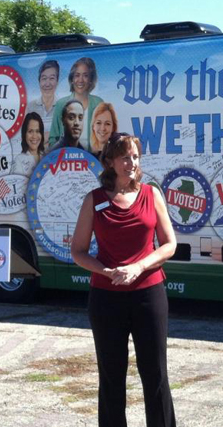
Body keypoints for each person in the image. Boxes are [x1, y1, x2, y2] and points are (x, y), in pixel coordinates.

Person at [71, 133, 177, 427]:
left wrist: (138, 267)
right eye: (125, 156)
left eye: (135, 156)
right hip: (106, 298)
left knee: (155, 373)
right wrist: (105, 272)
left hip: (149, 294)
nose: (132, 162)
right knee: (111, 376)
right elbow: (78, 251)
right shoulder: (93, 200)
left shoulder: (151, 194)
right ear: (110, 161)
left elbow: (169, 245)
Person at [49, 57, 103, 149]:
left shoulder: (98, 103)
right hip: (66, 161)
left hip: (92, 160)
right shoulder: (61, 104)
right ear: (72, 79)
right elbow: (53, 139)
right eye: (77, 75)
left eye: (85, 75)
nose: (80, 80)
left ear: (91, 80)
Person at [28, 60, 59, 148]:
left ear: (57, 81)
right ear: (39, 81)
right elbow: (26, 136)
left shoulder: (63, 106)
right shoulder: (31, 107)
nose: (47, 83)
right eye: (44, 78)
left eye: (52, 78)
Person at [12, 112, 44, 177]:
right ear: (24, 134)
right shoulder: (19, 161)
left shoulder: (47, 157)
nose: (34, 136)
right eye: (30, 131)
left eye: (37, 131)